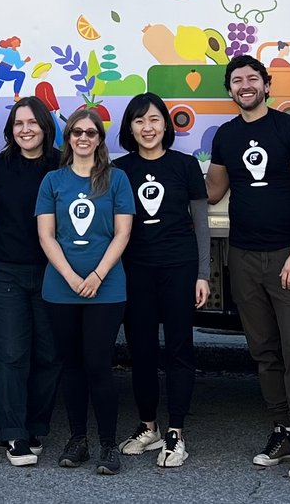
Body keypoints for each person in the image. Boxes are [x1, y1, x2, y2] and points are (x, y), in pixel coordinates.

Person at [205, 55, 290, 480]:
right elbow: (213, 190)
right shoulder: (226, 135)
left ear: (267, 85)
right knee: (263, 351)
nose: (245, 85)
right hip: (243, 256)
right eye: (236, 81)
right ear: (230, 90)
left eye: (252, 79)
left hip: (286, 256)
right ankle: (283, 429)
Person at [114, 93, 210, 468]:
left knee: (179, 349)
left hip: (179, 267)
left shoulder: (185, 166)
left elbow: (200, 223)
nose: (148, 128)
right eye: (139, 121)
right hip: (135, 269)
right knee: (140, 349)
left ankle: (176, 432)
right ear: (130, 128)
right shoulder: (120, 170)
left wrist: (203, 274)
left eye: (154, 120)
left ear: (166, 125)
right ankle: (148, 426)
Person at [37, 108, 134, 475]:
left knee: (98, 365)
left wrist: (96, 274)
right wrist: (70, 276)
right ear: (68, 138)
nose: (83, 138)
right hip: (60, 289)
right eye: (76, 132)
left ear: (99, 139)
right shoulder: (52, 181)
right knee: (72, 365)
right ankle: (78, 440)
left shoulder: (116, 179)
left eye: (90, 133)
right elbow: (46, 235)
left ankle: (108, 445)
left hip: (106, 289)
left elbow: (122, 233)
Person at [0, 97, 63, 467]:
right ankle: (13, 434)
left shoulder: (62, 164)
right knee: (11, 355)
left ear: (45, 127)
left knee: (49, 354)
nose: (26, 129)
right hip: (6, 272)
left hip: (54, 273)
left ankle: (35, 427)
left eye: (33, 122)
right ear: (10, 130)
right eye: (18, 124)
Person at [0, 36, 30, 116]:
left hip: (7, 70)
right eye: (15, 41)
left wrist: (25, 61)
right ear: (11, 42)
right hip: (2, 69)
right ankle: (16, 95)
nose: (16, 43)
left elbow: (18, 65)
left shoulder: (17, 54)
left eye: (17, 42)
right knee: (20, 75)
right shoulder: (7, 50)